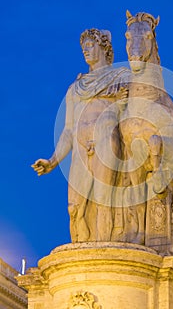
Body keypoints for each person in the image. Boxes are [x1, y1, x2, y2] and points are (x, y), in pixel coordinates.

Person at [32, 28, 129, 243]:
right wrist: (52, 161)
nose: (85, 50)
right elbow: (68, 130)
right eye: (83, 47)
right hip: (80, 150)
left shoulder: (120, 78)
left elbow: (132, 117)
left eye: (90, 45)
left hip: (106, 142)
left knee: (104, 201)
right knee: (75, 208)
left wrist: (121, 103)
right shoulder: (75, 88)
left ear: (104, 47)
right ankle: (82, 251)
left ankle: (104, 252)